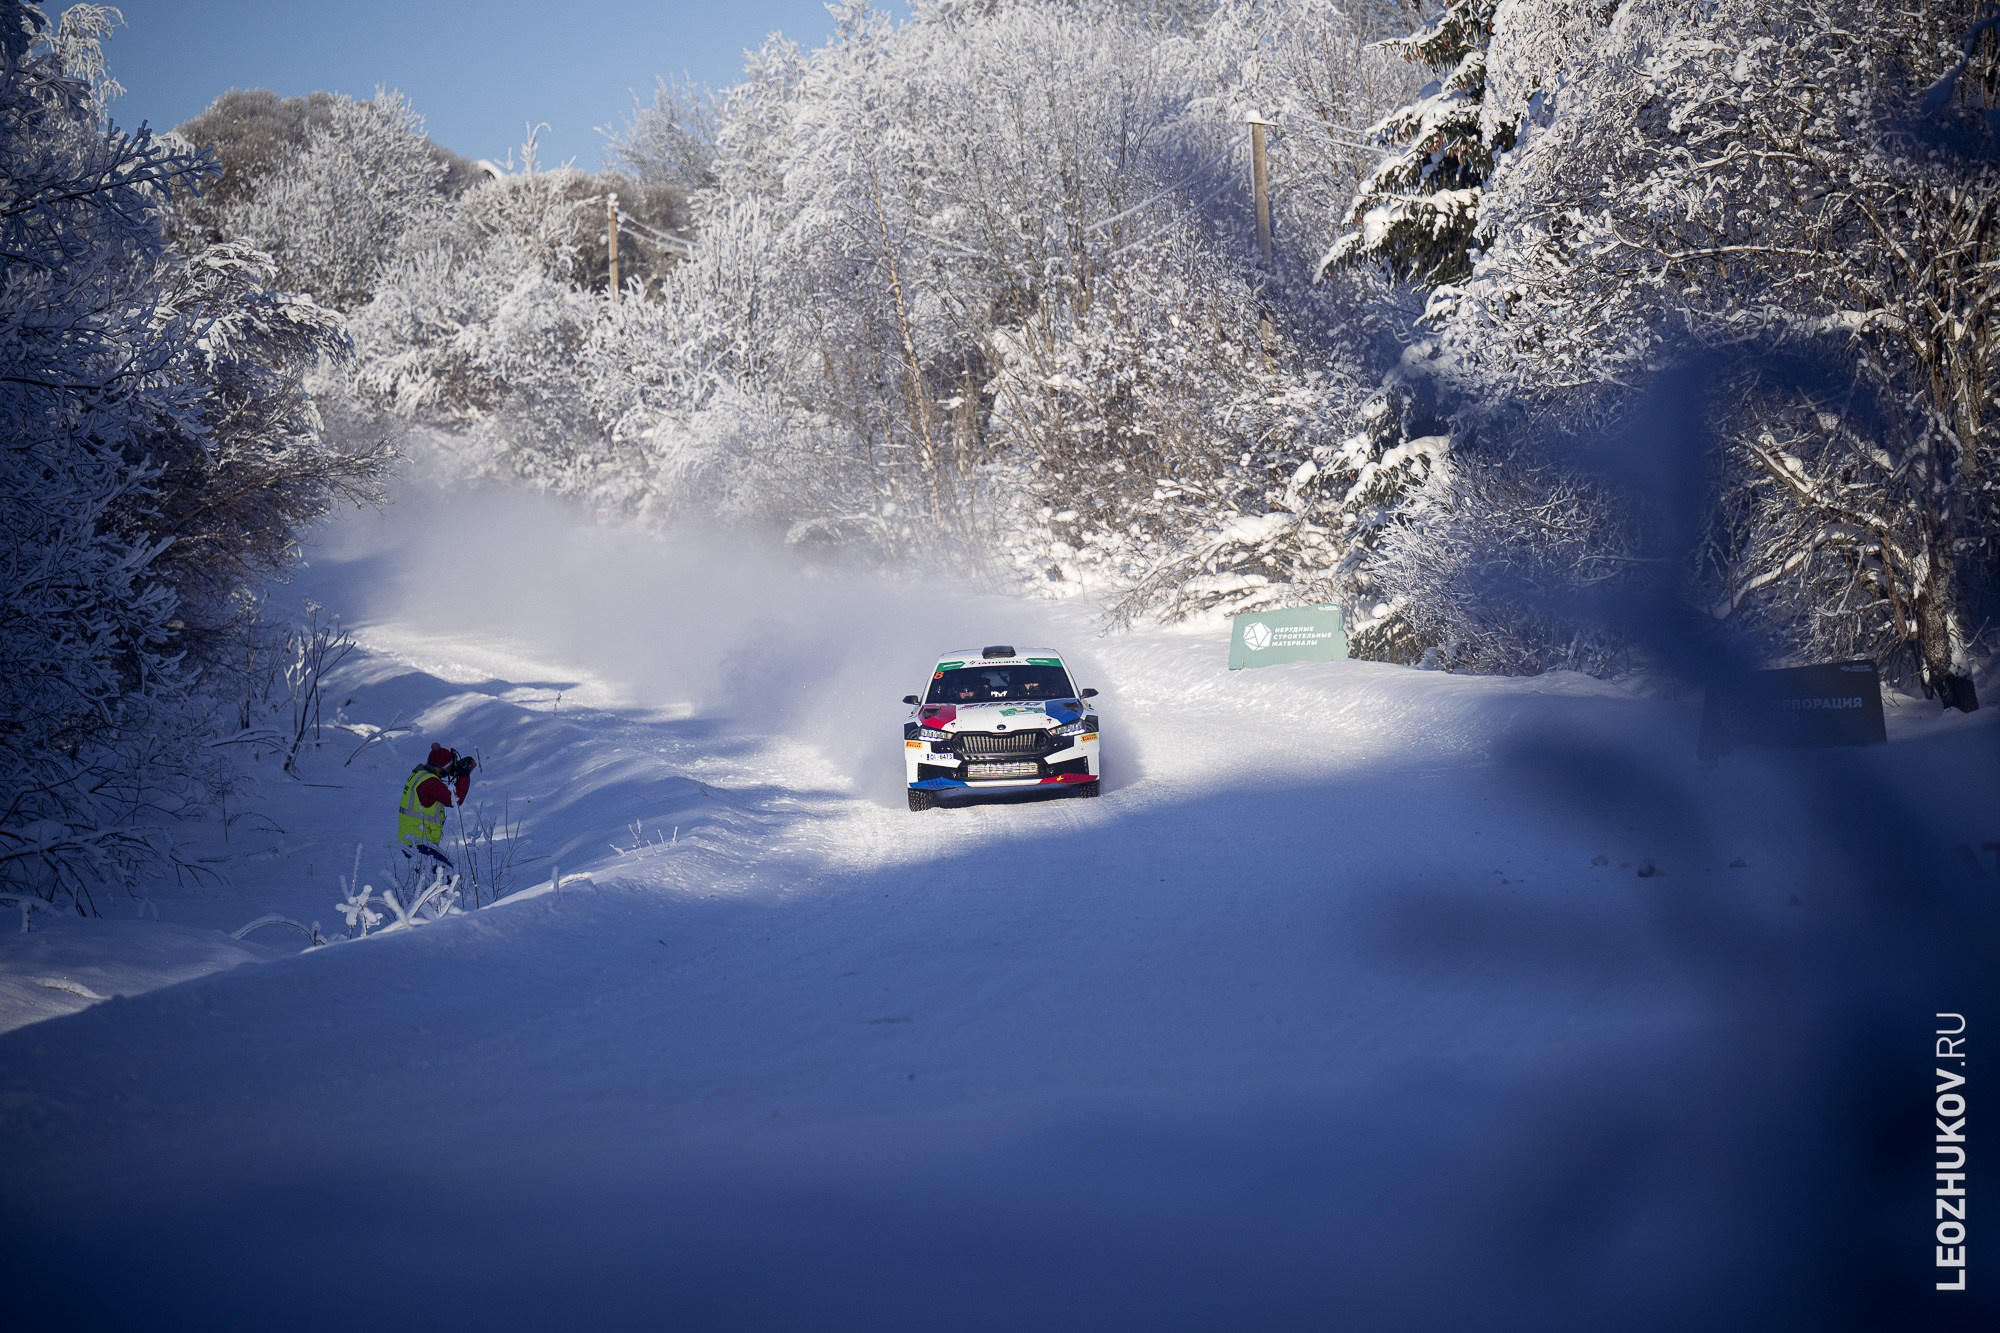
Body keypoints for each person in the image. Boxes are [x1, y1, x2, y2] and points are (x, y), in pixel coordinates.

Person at [396, 742, 476, 866]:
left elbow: (443, 793)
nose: (451, 770)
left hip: (412, 839)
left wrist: (459, 775)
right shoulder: (429, 782)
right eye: (450, 767)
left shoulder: (421, 775)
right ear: (441, 769)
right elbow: (455, 800)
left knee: (434, 876)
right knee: (447, 874)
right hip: (418, 842)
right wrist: (464, 775)